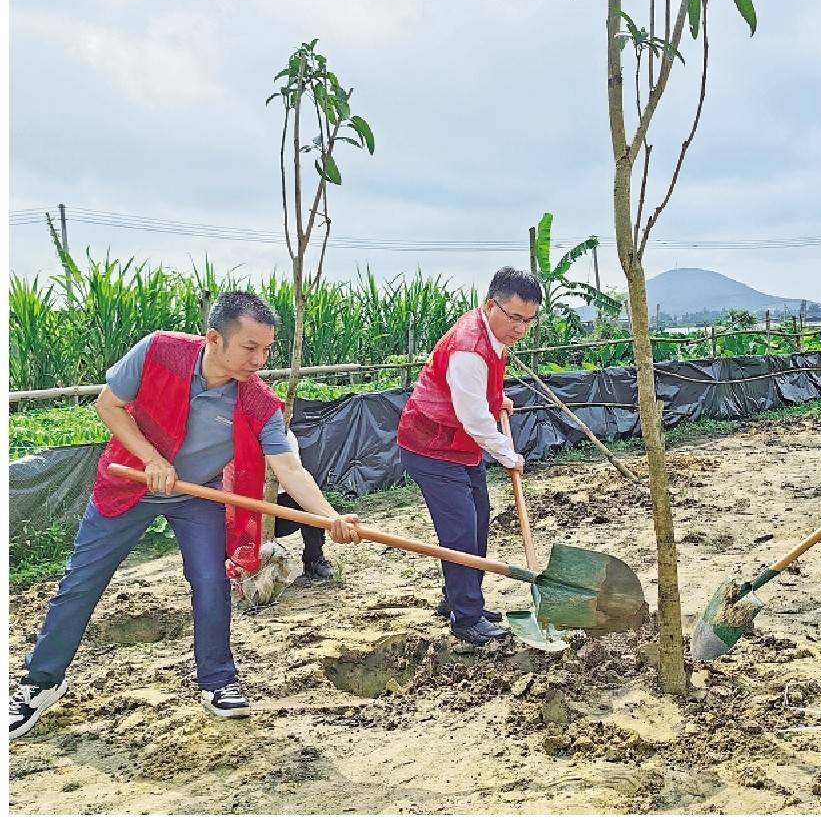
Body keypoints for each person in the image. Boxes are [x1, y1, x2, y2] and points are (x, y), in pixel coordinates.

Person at [9, 292, 362, 739]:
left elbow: (288, 467)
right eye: (250, 348)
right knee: (81, 582)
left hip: (195, 495)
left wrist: (330, 517)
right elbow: (108, 405)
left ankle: (218, 680)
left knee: (212, 582)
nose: (260, 359)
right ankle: (40, 683)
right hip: (128, 483)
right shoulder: (159, 352)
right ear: (214, 338)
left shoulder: (258, 402)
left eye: (268, 348)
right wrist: (152, 460)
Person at [397, 267, 539, 647]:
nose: (521, 329)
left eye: (529, 320)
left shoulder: (492, 335)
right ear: (491, 305)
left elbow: (478, 396)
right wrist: (509, 455)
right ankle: (467, 619)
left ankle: (458, 599)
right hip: (432, 447)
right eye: (515, 318)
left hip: (460, 446)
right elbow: (474, 417)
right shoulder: (468, 348)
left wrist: (498, 399)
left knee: (478, 521)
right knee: (460, 531)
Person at [273, 430, 335, 579]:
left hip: (283, 503)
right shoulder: (236, 433)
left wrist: (331, 516)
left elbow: (294, 474)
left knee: (310, 503)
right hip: (249, 505)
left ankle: (314, 560)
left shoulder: (286, 436)